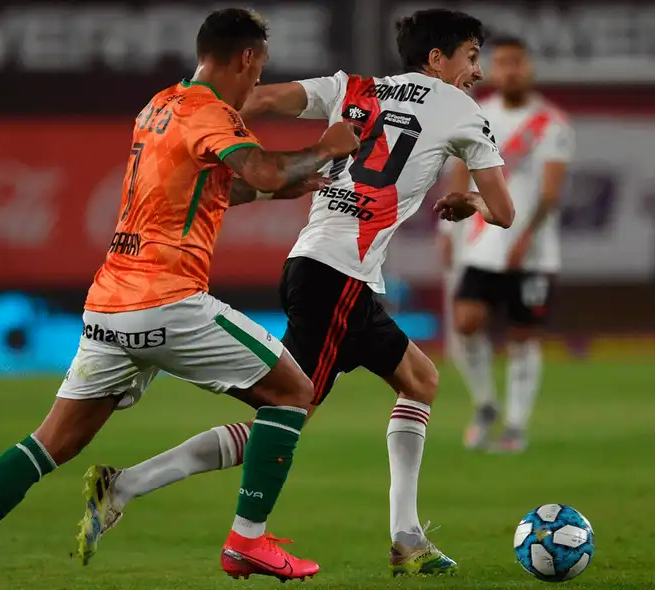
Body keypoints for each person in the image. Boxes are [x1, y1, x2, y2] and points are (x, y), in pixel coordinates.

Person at [0, 8, 361, 588]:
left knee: (51, 443)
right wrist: (325, 146)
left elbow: (235, 187)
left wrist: (303, 178)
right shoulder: (212, 113)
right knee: (295, 391)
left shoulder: (160, 104)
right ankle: (247, 541)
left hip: (109, 306)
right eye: (258, 69)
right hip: (169, 300)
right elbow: (265, 171)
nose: (256, 84)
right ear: (246, 58)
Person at [73, 8, 516, 578]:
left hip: (321, 272)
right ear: (438, 59)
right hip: (336, 276)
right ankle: (126, 486)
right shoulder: (462, 110)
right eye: (472, 56)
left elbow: (253, 101)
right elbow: (504, 211)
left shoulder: (351, 88)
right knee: (283, 416)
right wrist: (472, 203)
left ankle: (407, 538)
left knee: (420, 380)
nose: (477, 71)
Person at [439, 34, 573, 453]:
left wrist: (525, 241)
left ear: (529, 67)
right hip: (481, 244)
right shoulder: (478, 115)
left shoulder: (551, 124)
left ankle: (516, 425)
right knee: (465, 323)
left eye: (518, 62)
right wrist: (449, 232)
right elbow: (460, 171)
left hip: (531, 251)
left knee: (521, 337)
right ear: (493, 69)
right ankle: (485, 404)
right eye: (503, 63)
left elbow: (550, 193)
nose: (511, 70)